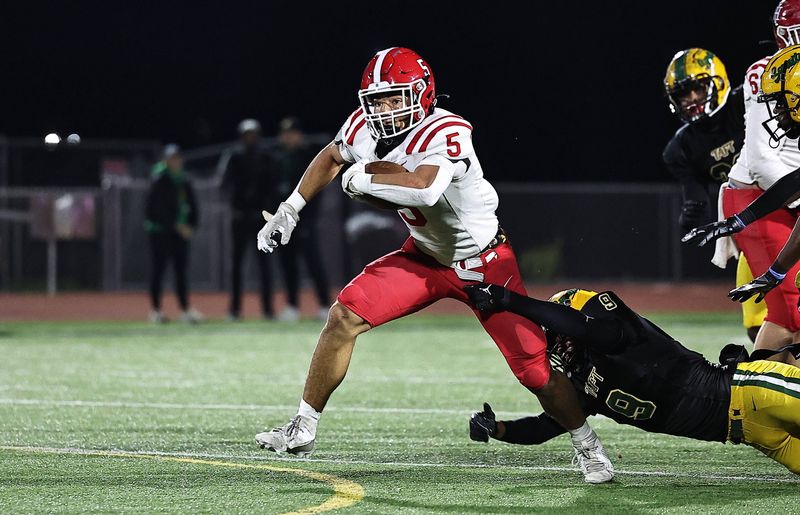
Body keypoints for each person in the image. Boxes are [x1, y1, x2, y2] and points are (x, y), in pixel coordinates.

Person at [253, 47, 614, 483]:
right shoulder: (363, 126)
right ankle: (302, 428)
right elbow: (332, 156)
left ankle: (587, 445)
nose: (384, 111)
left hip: (484, 264)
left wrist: (364, 179)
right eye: (377, 100)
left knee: (535, 371)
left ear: (422, 94)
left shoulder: (448, 129)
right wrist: (291, 208)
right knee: (344, 315)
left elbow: (424, 189)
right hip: (424, 256)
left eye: (394, 98)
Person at [464, 283, 800, 475]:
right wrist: (498, 429)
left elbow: (583, 328)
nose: (559, 344)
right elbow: (547, 425)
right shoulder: (584, 383)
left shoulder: (619, 332)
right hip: (753, 435)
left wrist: (510, 301)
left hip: (752, 390)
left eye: (557, 333)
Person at [683, 38, 800, 365]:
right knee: (792, 312)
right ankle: (760, 399)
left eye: (780, 102)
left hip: (765, 198)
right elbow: (793, 181)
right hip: (761, 199)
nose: (775, 114)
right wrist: (740, 221)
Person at [662, 48, 764, 342]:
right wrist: (690, 215)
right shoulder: (680, 149)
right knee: (757, 326)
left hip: (787, 210)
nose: (691, 98)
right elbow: (698, 202)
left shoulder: (748, 100)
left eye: (697, 87)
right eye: (683, 93)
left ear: (717, 81)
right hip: (753, 230)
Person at [269, 117, 331, 322]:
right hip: (284, 220)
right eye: (285, 134)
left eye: (292, 133)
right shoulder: (276, 158)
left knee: (313, 263)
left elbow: (316, 189)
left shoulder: (308, 157)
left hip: (304, 220)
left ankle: (324, 305)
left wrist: (309, 219)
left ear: (299, 135)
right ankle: (293, 306)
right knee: (288, 265)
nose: (288, 137)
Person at [220, 119, 275, 320]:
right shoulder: (234, 156)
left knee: (264, 264)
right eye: (247, 135)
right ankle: (234, 309)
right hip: (240, 217)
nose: (250, 138)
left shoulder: (266, 156)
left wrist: (267, 210)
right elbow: (225, 185)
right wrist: (237, 206)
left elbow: (272, 185)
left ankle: (268, 309)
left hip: (260, 219)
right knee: (237, 264)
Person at [144, 144, 202, 323]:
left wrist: (192, 226)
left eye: (177, 158)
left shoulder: (184, 180)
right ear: (165, 160)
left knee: (181, 272)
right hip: (160, 232)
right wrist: (176, 225)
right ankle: (155, 310)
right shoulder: (158, 179)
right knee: (159, 271)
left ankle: (185, 309)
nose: (175, 162)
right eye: (171, 158)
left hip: (181, 234)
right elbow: (154, 208)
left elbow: (193, 206)